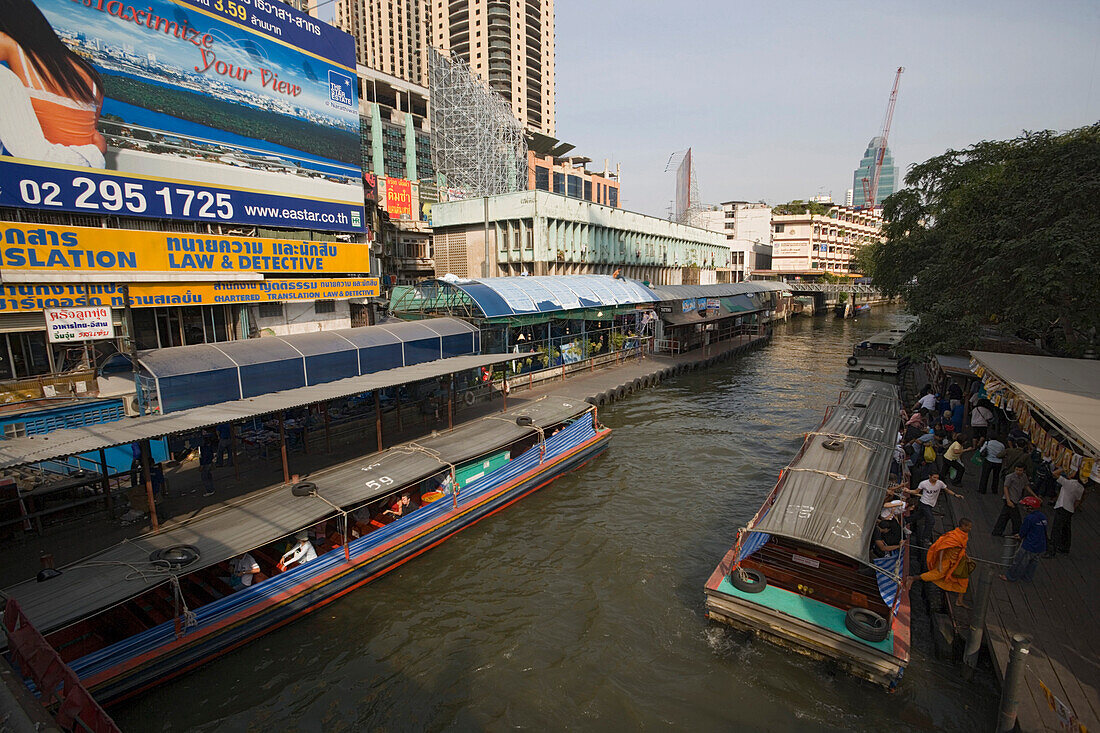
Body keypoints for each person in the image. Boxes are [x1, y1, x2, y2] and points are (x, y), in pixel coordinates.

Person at [0, 0, 106, 167]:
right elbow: (92, 134)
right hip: (82, 170)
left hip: (37, 173)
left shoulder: (12, 45)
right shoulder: (90, 75)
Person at [908, 518, 973, 608]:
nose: (970, 529)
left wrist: (966, 556)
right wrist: (939, 564)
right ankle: (913, 578)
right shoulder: (954, 536)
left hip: (957, 561)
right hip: (947, 561)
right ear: (963, 526)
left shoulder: (964, 535)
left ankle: (959, 601)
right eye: (969, 527)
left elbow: (962, 548)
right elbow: (942, 549)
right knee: (935, 574)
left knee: (963, 580)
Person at [905, 471, 962, 548]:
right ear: (930, 476)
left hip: (931, 504)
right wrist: (908, 491)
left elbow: (947, 490)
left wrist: (955, 495)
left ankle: (906, 520)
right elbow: (916, 491)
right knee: (931, 520)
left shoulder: (940, 483)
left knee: (918, 516)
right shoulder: (924, 483)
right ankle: (925, 538)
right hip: (924, 503)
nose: (936, 479)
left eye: (937, 478)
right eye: (934, 477)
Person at [1001, 497, 1047, 583]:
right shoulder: (1042, 516)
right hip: (1041, 545)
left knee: (1019, 561)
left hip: (1030, 545)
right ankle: (1027, 578)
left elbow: (1023, 531)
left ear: (1029, 507)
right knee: (1033, 563)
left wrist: (1019, 536)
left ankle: (1010, 577)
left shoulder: (1029, 518)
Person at [1045, 468, 1085, 557]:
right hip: (1069, 509)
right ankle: (1064, 547)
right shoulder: (1081, 487)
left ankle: (1051, 551)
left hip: (1062, 507)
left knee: (1056, 529)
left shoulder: (1068, 483)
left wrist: (1064, 467)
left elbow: (1054, 473)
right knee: (1066, 529)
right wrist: (1073, 508)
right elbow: (1078, 501)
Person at [992, 465, 1038, 537]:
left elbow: (1026, 486)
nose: (1018, 472)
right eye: (1017, 470)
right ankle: (1016, 532)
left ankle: (997, 531)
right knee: (1016, 518)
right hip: (1010, 499)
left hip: (1015, 499)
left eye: (1020, 470)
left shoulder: (1024, 477)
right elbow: (1006, 487)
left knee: (1005, 516)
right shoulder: (1010, 477)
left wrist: (1035, 496)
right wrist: (1008, 500)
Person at [199, 432, 216, 497]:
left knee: (204, 477)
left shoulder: (204, 447)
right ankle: (211, 488)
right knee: (208, 475)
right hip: (209, 461)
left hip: (206, 463)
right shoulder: (209, 445)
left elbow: (204, 456)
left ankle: (210, 490)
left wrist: (202, 464)